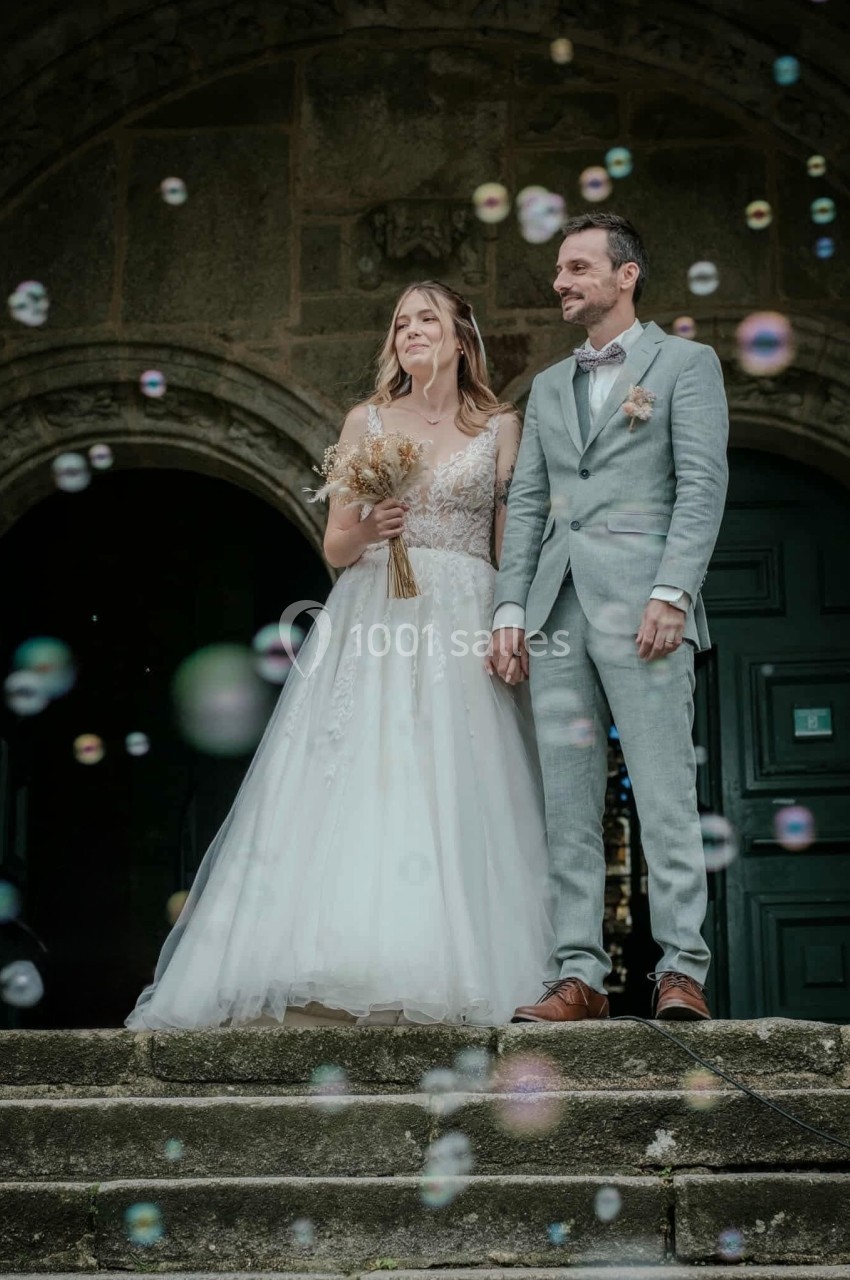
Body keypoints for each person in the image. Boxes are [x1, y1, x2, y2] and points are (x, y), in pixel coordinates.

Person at [125, 280, 554, 1031]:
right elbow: (335, 545)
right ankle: (352, 954)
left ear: (461, 339)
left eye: (428, 319)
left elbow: (505, 543)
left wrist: (508, 621)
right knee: (372, 773)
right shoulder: (368, 421)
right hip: (377, 612)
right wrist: (373, 525)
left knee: (457, 777)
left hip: (464, 614)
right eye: (400, 322)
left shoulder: (500, 425)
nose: (412, 330)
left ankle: (468, 968)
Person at [487, 212, 729, 1022]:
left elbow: (701, 487)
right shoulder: (549, 388)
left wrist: (673, 593)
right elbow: (527, 508)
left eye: (578, 267)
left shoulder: (686, 365)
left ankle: (681, 970)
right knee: (567, 802)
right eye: (560, 269)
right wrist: (510, 606)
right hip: (557, 609)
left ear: (626, 276)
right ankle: (578, 974)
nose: (561, 281)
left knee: (664, 794)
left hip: (644, 609)